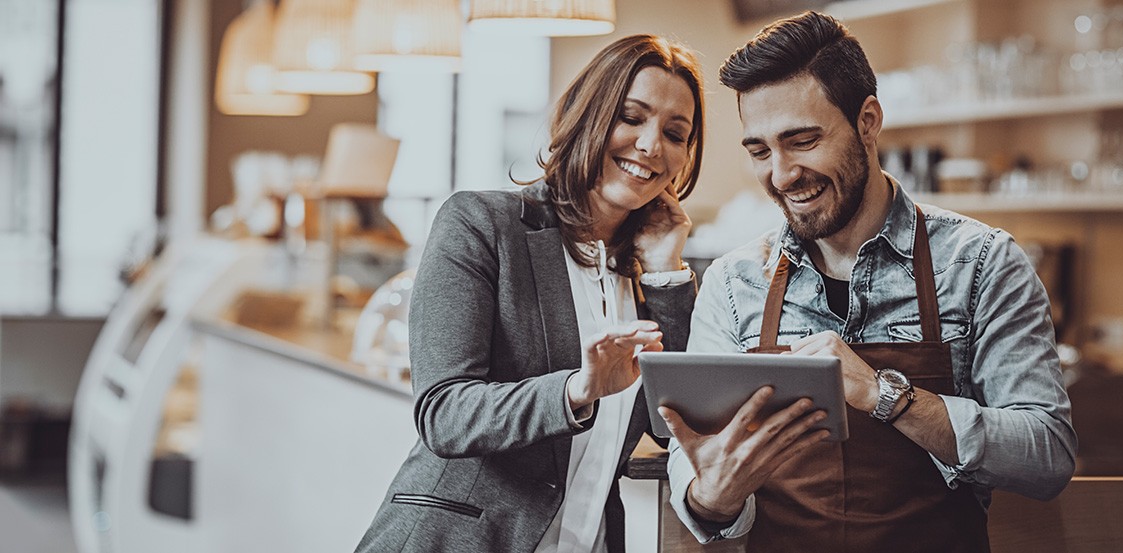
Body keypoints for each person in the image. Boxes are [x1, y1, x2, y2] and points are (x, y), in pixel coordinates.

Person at [659, 11, 1077, 552]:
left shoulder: (981, 263)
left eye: (803, 140)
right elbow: (698, 479)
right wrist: (711, 498)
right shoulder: (734, 283)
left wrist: (886, 395)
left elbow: (1046, 456)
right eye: (760, 151)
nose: (782, 175)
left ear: (868, 121)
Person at [355, 34, 705, 553]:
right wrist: (576, 389)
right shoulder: (481, 224)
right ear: (588, 114)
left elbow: (673, 420)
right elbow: (444, 412)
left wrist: (664, 269)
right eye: (631, 117)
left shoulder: (653, 271)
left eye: (675, 133)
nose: (652, 146)